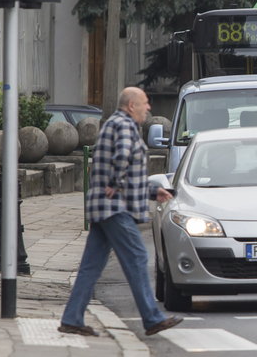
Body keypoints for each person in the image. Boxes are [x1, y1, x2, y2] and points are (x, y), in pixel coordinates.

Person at [59, 87, 183, 337]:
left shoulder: (115, 124)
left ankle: (72, 318)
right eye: (144, 103)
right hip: (116, 208)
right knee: (137, 257)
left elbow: (125, 168)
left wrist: (152, 191)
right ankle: (151, 317)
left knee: (91, 266)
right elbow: (122, 159)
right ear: (131, 106)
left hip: (104, 207)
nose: (148, 108)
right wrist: (116, 183)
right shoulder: (125, 126)